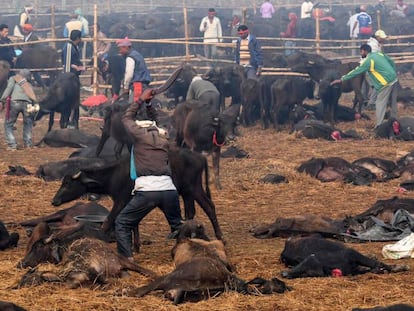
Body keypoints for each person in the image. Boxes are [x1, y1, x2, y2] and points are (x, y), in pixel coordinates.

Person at [115, 88, 183, 260]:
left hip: (147, 191)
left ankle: (127, 260)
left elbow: (126, 118)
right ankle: (189, 253)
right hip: (169, 190)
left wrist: (140, 100)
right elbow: (159, 122)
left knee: (122, 223)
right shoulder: (165, 139)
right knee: (178, 226)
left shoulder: (139, 136)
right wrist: (149, 104)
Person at [331, 44, 398, 128]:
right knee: (393, 103)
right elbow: (391, 61)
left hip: (385, 83)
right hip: (394, 79)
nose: (361, 53)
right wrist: (393, 71)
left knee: (380, 104)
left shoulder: (368, 61)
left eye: (361, 51)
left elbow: (357, 71)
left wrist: (342, 79)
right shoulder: (379, 54)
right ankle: (395, 122)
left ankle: (379, 126)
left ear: (364, 51)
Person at [0, 69, 37, 150]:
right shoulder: (29, 83)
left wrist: (2, 100)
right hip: (28, 103)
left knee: (8, 124)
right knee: (28, 124)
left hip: (15, 102)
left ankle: (12, 144)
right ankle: (28, 144)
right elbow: (33, 96)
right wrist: (34, 109)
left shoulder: (13, 79)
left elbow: (9, 89)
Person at [117, 37, 151, 104]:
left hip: (137, 86)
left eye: (120, 48)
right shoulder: (137, 55)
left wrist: (126, 87)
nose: (119, 51)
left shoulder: (130, 57)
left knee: (134, 106)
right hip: (144, 85)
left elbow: (129, 74)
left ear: (126, 47)